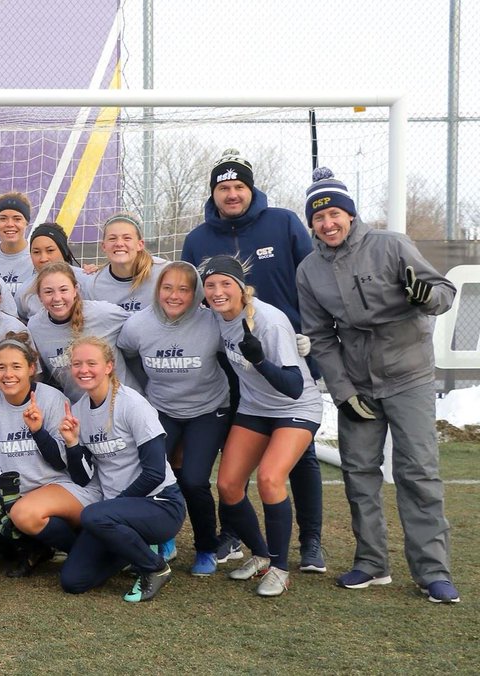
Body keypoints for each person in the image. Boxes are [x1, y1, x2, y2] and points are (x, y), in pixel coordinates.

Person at [296, 168, 459, 603]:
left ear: (350, 214)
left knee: (418, 473)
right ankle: (371, 564)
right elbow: (321, 336)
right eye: (318, 217)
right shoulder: (309, 269)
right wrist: (343, 392)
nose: (327, 223)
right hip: (358, 384)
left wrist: (424, 295)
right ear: (310, 224)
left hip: (409, 376)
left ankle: (432, 572)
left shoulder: (391, 244)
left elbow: (443, 293)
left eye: (334, 213)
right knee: (359, 474)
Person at [181, 149, 324, 570]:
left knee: (298, 457)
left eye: (238, 186)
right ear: (213, 193)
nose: (231, 194)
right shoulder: (198, 239)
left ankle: (311, 542)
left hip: (288, 351)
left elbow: (311, 280)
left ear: (251, 189)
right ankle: (235, 535)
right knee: (234, 453)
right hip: (230, 362)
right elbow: (192, 299)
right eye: (223, 187)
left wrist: (310, 334)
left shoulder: (282, 222)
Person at [202, 255, 322, 597]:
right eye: (211, 285)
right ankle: (262, 555)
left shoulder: (268, 321)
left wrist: (259, 360)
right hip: (255, 407)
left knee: (270, 478)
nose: (217, 291)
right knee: (227, 485)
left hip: (295, 407)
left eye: (226, 284)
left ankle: (281, 569)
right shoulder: (215, 314)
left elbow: (294, 385)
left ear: (242, 288)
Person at [0, 333, 99, 579]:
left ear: (31, 368)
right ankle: (35, 547)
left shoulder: (51, 399)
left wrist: (38, 431)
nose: (8, 374)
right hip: (19, 488)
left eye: (16, 366)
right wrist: (4, 500)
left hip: (57, 482)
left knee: (23, 514)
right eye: (1, 367)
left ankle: (83, 550)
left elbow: (61, 463)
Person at [117, 261, 232, 576]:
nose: (174, 295)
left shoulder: (212, 323)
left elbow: (239, 346)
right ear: (157, 289)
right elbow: (127, 355)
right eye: (167, 287)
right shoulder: (138, 325)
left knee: (194, 481)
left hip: (207, 410)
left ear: (195, 293)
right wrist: (143, 393)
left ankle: (207, 547)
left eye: (184, 289)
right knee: (150, 476)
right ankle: (160, 538)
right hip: (162, 410)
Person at [58, 336, 185, 602]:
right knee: (73, 581)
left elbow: (155, 473)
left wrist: (112, 509)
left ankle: (155, 567)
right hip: (113, 513)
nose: (83, 370)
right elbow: (83, 478)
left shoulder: (132, 404)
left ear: (108, 366)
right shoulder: (79, 410)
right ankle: (131, 552)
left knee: (92, 516)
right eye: (77, 364)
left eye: (91, 363)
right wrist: (72, 445)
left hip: (160, 505)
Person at [26, 262, 134, 400]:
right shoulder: (35, 327)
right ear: (39, 296)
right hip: (81, 409)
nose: (57, 298)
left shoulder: (103, 314)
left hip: (122, 401)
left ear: (75, 290)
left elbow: (140, 329)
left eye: (63, 290)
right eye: (48, 292)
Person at [83, 212, 166, 313]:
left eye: (127, 238)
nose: (119, 244)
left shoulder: (165, 273)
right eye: (112, 238)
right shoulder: (94, 285)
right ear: (104, 246)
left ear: (140, 244)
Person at [15, 222, 82, 320]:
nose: (43, 258)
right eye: (36, 252)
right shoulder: (24, 292)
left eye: (50, 250)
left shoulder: (87, 281)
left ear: (63, 251)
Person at [0, 192, 37, 287]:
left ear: (26, 222)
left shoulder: (37, 257)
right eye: (3, 218)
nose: (10, 224)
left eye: (17, 219)